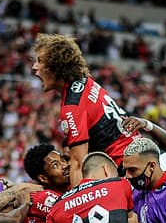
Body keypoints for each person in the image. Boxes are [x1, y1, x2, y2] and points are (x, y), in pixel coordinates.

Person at [32, 33, 135, 185]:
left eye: (40, 61)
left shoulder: (72, 107)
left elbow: (80, 164)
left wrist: (76, 198)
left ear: (56, 66)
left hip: (130, 170)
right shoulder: (86, 82)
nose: (34, 67)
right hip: (141, 156)